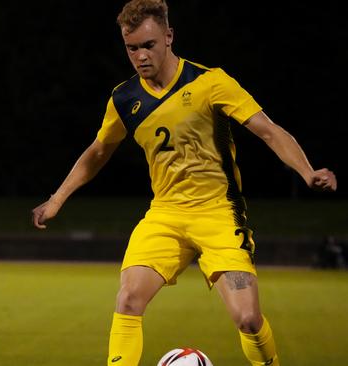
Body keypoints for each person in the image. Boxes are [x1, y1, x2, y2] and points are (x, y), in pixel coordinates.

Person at [31, 1, 337, 365]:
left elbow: (269, 132)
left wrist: (307, 172)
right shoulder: (124, 98)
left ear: (169, 37)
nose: (141, 56)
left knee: (248, 319)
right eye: (132, 48)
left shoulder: (210, 82)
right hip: (165, 215)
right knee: (128, 299)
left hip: (219, 213)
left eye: (149, 45)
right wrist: (57, 198)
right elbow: (98, 152)